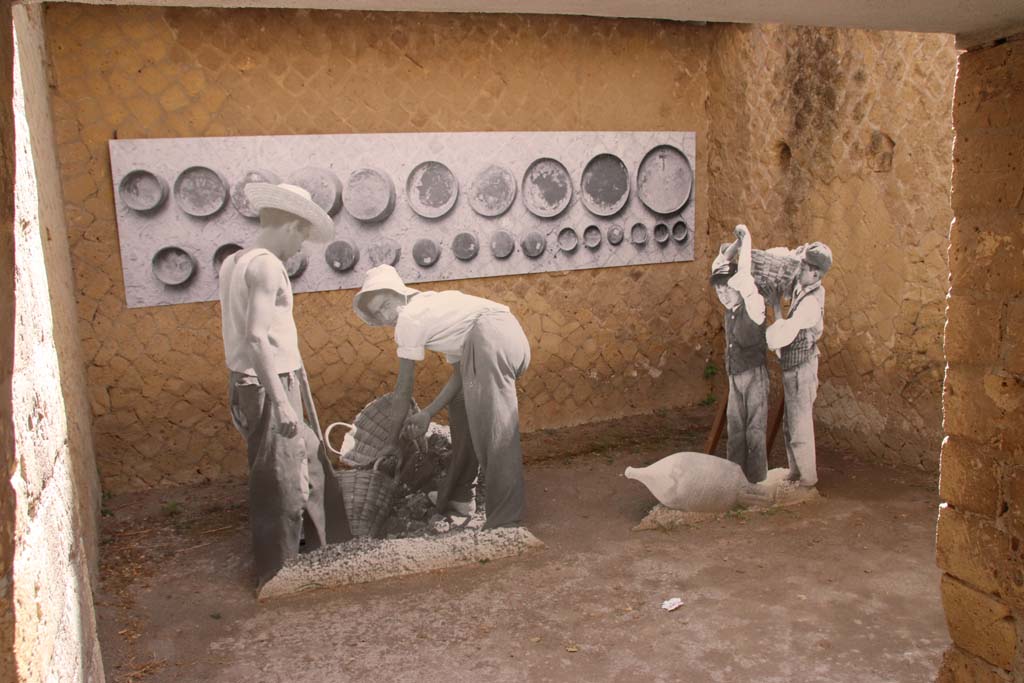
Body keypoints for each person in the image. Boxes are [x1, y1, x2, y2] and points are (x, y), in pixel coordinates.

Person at [219, 182, 350, 589]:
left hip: (261, 378)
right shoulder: (267, 266)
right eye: (303, 238)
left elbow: (240, 336)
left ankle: (326, 551)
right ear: (291, 226)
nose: (300, 249)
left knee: (310, 457)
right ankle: (279, 575)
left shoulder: (234, 262)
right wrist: (281, 402)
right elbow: (256, 336)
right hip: (269, 382)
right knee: (281, 481)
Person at [352, 265, 531, 529]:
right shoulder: (433, 309)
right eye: (378, 312)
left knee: (495, 429)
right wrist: (427, 413)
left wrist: (391, 442)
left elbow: (403, 389)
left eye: (386, 305)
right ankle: (460, 496)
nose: (384, 315)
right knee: (461, 409)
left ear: (400, 296)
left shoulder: (410, 318)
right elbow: (459, 376)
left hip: (494, 336)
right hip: (500, 338)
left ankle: (505, 521)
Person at [765, 241, 833, 488]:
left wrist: (774, 307)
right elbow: (788, 263)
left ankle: (807, 477)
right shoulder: (803, 287)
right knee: (790, 422)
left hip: (802, 368)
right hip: (794, 366)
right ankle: (795, 471)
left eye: (803, 267)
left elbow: (781, 334)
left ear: (815, 273)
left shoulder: (811, 303)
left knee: (800, 422)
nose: (799, 270)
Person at [710, 224, 768, 484]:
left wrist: (747, 241)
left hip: (754, 374)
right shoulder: (730, 307)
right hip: (734, 374)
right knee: (735, 428)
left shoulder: (753, 306)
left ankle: (755, 480)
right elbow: (720, 262)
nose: (722, 294)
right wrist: (735, 243)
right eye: (719, 290)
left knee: (754, 430)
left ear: (739, 286)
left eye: (727, 288)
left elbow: (744, 276)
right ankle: (735, 478)